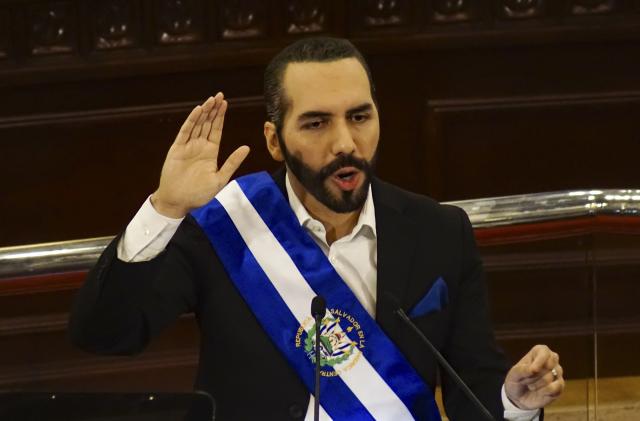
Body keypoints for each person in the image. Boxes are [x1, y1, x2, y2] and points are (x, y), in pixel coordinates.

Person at [69, 37, 564, 420]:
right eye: (315, 124)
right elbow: (106, 334)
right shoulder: (223, 227)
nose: (345, 142)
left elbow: (473, 391)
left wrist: (515, 401)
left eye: (359, 116)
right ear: (275, 140)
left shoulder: (439, 232)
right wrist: (166, 208)